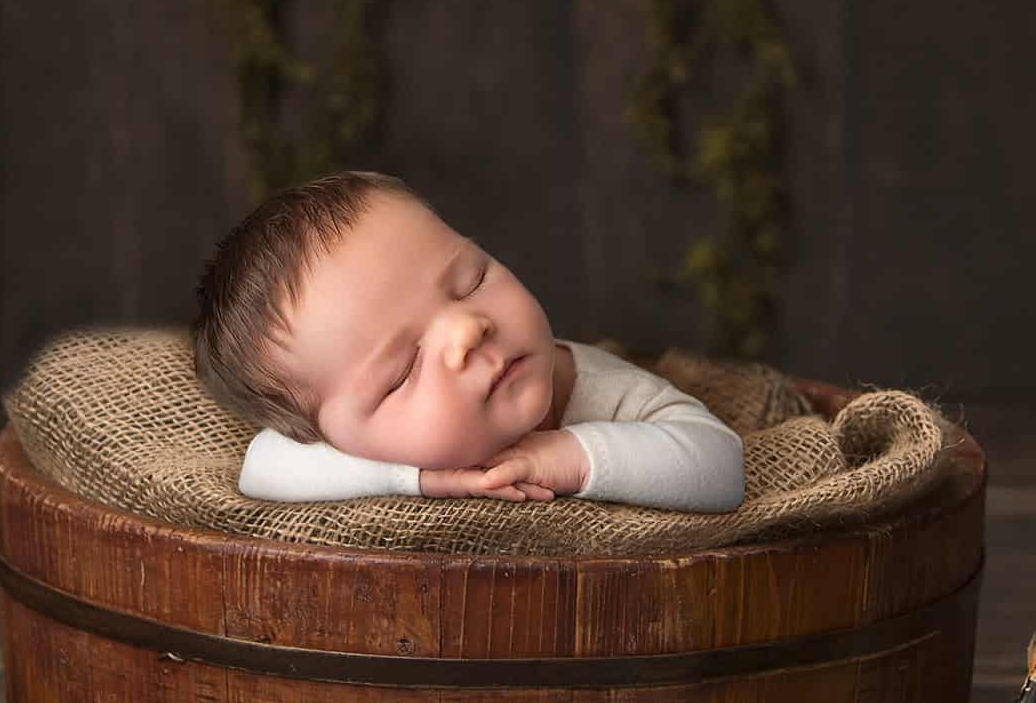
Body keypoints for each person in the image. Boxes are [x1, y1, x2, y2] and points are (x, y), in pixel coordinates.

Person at [191, 171, 745, 511]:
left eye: (472, 280)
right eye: (403, 371)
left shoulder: (594, 388)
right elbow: (261, 467)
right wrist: (419, 477)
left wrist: (571, 454)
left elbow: (719, 464)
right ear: (332, 434)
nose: (467, 329)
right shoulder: (353, 447)